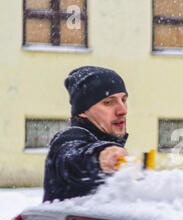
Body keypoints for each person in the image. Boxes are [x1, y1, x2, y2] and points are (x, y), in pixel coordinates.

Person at [43, 66, 129, 202]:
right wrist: (99, 156)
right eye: (108, 102)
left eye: (123, 100)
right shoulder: (70, 138)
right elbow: (72, 158)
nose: (123, 110)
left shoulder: (112, 146)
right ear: (83, 111)